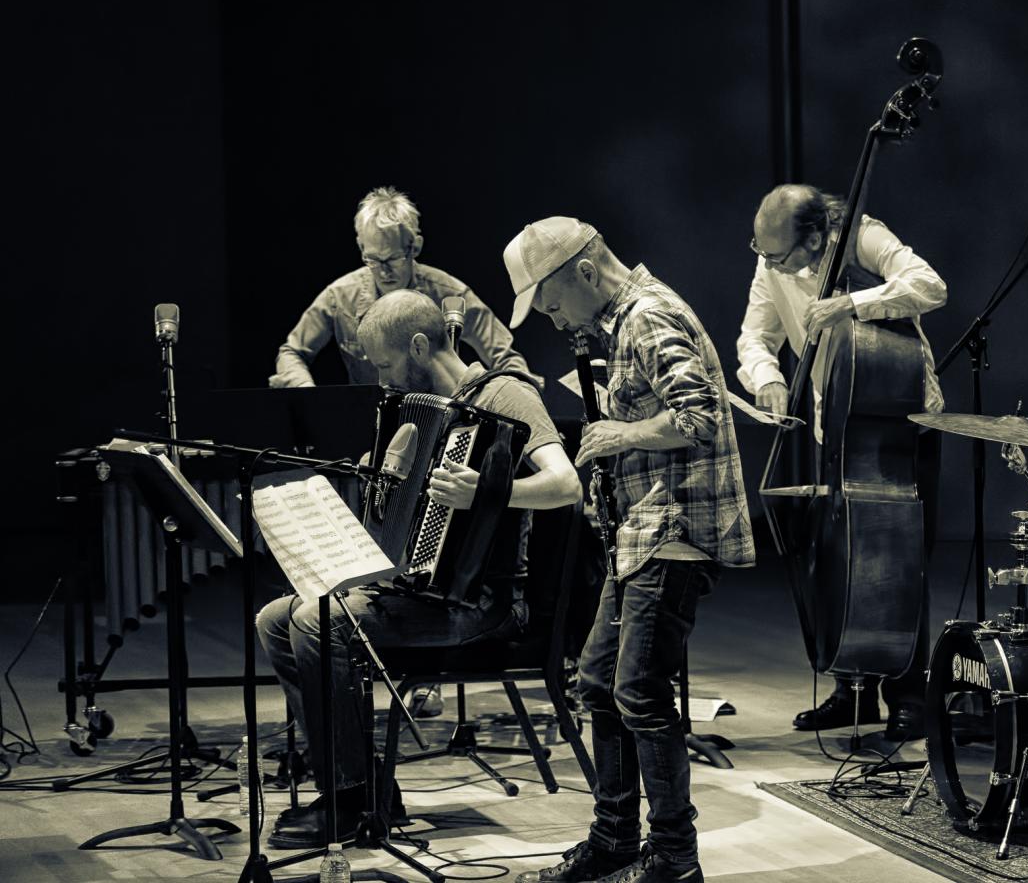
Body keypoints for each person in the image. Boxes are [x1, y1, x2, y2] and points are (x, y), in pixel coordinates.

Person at [256, 290, 580, 847]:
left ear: (418, 345)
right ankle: (366, 790)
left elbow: (566, 485)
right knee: (274, 619)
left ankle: (351, 796)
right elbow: (410, 515)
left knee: (317, 620)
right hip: (421, 591)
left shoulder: (506, 394)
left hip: (482, 603)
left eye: (384, 364)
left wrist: (488, 493)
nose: (382, 380)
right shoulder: (424, 411)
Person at [502, 217, 753, 883]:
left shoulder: (648, 317)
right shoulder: (618, 326)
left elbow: (697, 417)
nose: (553, 321)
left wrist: (615, 436)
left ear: (585, 272)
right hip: (641, 531)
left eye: (551, 304)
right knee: (597, 685)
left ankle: (675, 860)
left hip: (675, 530)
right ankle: (614, 841)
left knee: (639, 691)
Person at [735, 183, 946, 738]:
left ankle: (908, 693)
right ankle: (851, 690)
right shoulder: (772, 260)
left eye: (777, 254)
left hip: (900, 421)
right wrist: (770, 381)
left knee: (899, 561)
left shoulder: (862, 238)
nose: (770, 263)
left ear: (814, 237)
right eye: (763, 253)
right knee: (840, 558)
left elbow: (930, 285)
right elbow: (754, 337)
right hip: (838, 424)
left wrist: (853, 302)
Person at [272, 186, 529, 388]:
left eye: (393, 259)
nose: (383, 270)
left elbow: (508, 360)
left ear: (414, 247)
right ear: (361, 248)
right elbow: (291, 353)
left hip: (441, 426)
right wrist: (307, 391)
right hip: (370, 428)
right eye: (373, 259)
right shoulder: (339, 297)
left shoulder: (451, 295)